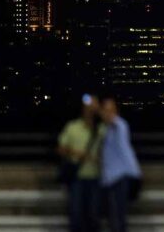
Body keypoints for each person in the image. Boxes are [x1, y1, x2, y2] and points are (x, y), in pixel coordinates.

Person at [57, 94, 105, 232]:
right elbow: (61, 148)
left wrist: (98, 109)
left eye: (92, 108)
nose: (89, 111)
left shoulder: (101, 129)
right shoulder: (72, 127)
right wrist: (77, 153)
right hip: (76, 178)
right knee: (76, 215)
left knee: (94, 216)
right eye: (87, 108)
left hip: (96, 177)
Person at [99, 93, 142, 232]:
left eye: (110, 110)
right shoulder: (103, 129)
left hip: (120, 177)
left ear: (116, 111)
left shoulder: (120, 125)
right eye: (105, 110)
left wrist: (96, 109)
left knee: (118, 218)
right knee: (113, 218)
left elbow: (125, 148)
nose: (107, 113)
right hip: (108, 179)